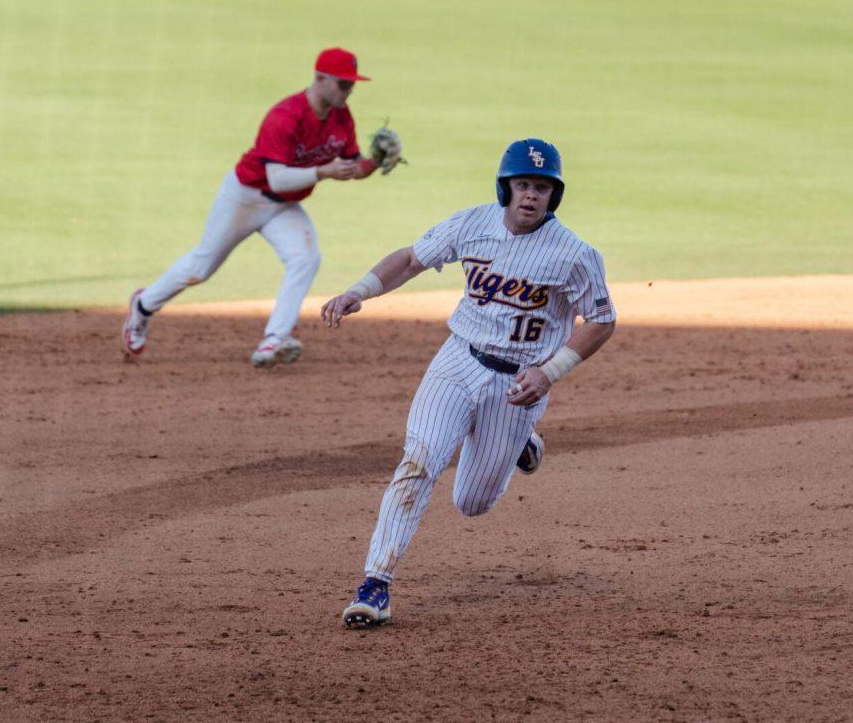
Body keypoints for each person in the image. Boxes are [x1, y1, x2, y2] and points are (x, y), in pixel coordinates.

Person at [320, 138, 616, 628]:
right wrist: (359, 291)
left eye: (542, 188)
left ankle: (522, 438)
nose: (530, 196)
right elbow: (412, 258)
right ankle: (375, 584)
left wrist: (549, 373)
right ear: (507, 187)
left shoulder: (574, 255)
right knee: (418, 463)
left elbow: (602, 320)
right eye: (523, 184)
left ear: (553, 195)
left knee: (471, 502)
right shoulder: (473, 223)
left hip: (519, 384)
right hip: (457, 362)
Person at [120, 47, 403, 367]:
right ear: (320, 78)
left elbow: (354, 168)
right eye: (342, 84)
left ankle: (274, 340)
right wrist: (322, 171)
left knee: (305, 259)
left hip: (283, 207)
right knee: (201, 267)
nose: (348, 90)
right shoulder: (285, 116)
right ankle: (142, 306)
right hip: (246, 196)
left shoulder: (341, 118)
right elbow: (277, 179)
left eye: (351, 84)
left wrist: (375, 161)